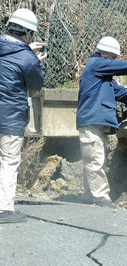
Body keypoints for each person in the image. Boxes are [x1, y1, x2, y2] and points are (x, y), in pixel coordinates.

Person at [77, 36, 127, 208]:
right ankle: (101, 197)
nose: (114, 62)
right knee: (95, 159)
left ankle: (87, 195)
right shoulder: (96, 64)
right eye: (113, 58)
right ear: (104, 53)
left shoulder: (103, 76)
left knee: (94, 158)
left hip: (92, 120)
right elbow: (122, 67)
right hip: (91, 120)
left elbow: (119, 91)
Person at [0, 8, 47, 223]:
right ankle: (3, 210)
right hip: (9, 118)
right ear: (28, 33)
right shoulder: (28, 58)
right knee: (8, 161)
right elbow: (36, 86)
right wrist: (36, 60)